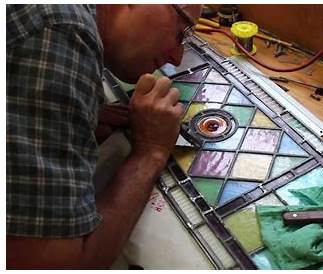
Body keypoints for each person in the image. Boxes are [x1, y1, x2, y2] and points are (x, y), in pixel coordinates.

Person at [6, 4, 202, 269]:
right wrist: (151, 151)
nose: (178, 57)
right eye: (181, 31)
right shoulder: (61, 29)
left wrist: (74, 112)